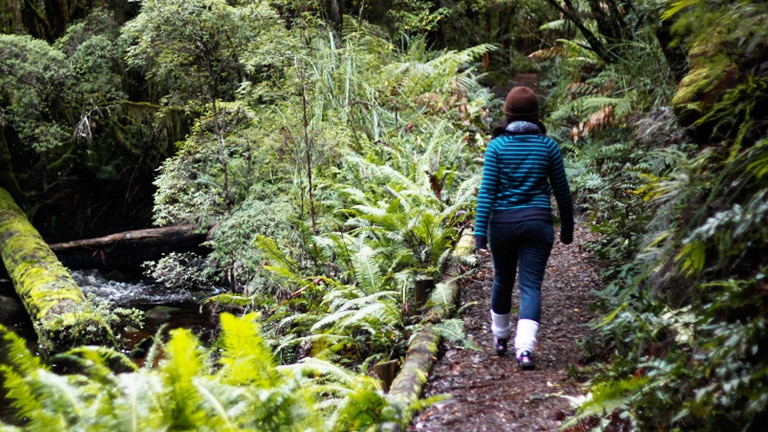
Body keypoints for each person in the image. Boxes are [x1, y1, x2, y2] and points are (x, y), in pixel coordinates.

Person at [474, 86, 574, 370]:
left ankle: (501, 338)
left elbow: (487, 193)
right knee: (531, 286)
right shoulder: (548, 146)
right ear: (536, 115)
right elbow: (562, 193)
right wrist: (567, 229)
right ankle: (525, 351)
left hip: (502, 226)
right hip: (537, 224)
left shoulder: (497, 147)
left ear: (506, 115)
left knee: (502, 280)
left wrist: (480, 234)